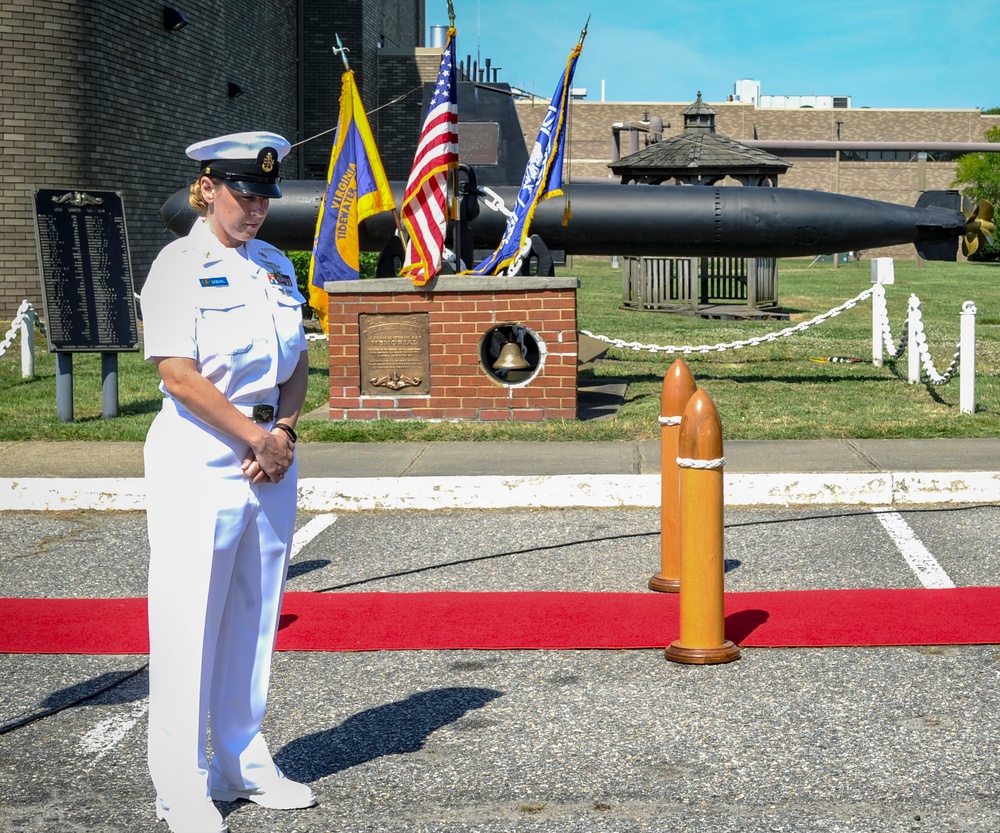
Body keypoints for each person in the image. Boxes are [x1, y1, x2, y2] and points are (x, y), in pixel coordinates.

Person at [140, 131, 315, 833]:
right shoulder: (178, 264)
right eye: (244, 194)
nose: (257, 208)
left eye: (265, 195)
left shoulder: (275, 265)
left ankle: (240, 760)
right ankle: (179, 783)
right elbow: (177, 373)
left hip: (269, 457)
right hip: (202, 457)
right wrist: (254, 438)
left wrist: (285, 434)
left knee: (254, 610)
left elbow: (295, 359)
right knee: (190, 620)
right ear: (207, 188)